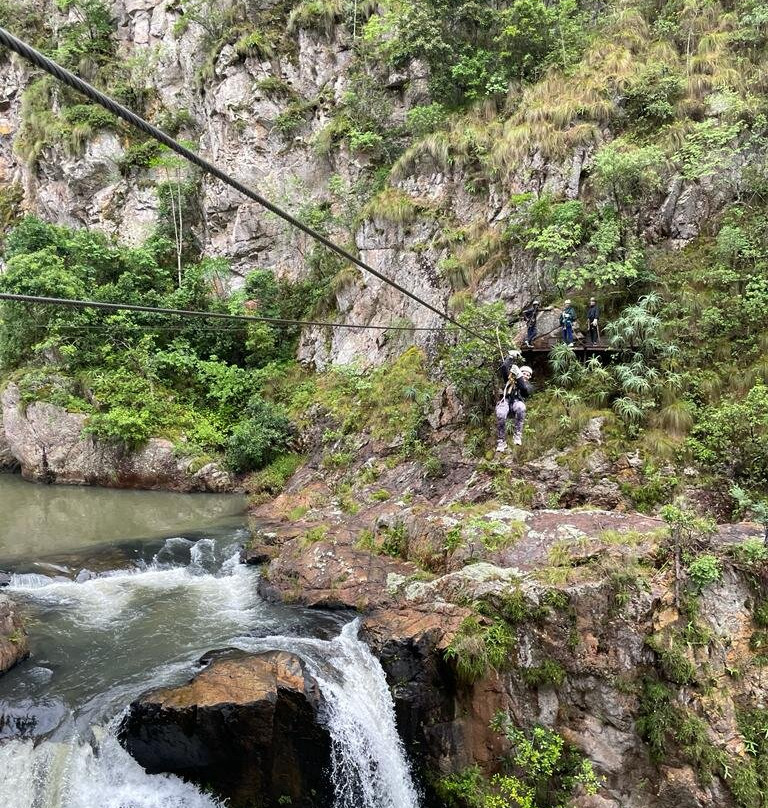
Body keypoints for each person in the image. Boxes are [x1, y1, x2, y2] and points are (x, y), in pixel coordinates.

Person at [496, 353, 534, 450]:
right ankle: (501, 441)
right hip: (506, 402)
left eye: (527, 375)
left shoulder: (529, 386)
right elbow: (504, 367)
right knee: (500, 413)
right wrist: (510, 357)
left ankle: (517, 435)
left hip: (517, 404)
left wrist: (519, 375)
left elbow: (524, 390)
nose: (525, 375)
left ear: (529, 377)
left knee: (521, 407)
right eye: (524, 373)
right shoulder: (510, 380)